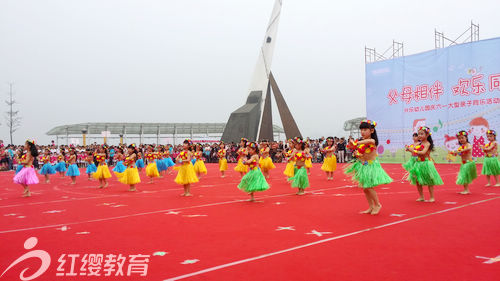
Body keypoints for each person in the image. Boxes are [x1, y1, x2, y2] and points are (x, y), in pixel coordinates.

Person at [345, 120, 392, 215]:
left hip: (371, 166)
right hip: (363, 166)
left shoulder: (372, 141)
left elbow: (369, 141)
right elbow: (361, 154)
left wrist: (356, 143)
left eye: (365, 129)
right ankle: (371, 206)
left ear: (372, 131)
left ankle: (378, 204)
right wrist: (357, 153)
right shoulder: (361, 142)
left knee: (369, 187)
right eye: (361, 130)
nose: (362, 132)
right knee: (365, 188)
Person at [407, 127, 443, 202]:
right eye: (419, 134)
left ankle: (432, 197)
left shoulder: (427, 144)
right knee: (417, 181)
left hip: (426, 164)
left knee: (429, 180)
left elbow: (423, 152)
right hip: (418, 163)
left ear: (427, 135)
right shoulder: (418, 144)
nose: (419, 135)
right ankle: (421, 196)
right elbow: (415, 151)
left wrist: (412, 150)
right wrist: (409, 149)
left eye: (422, 134)